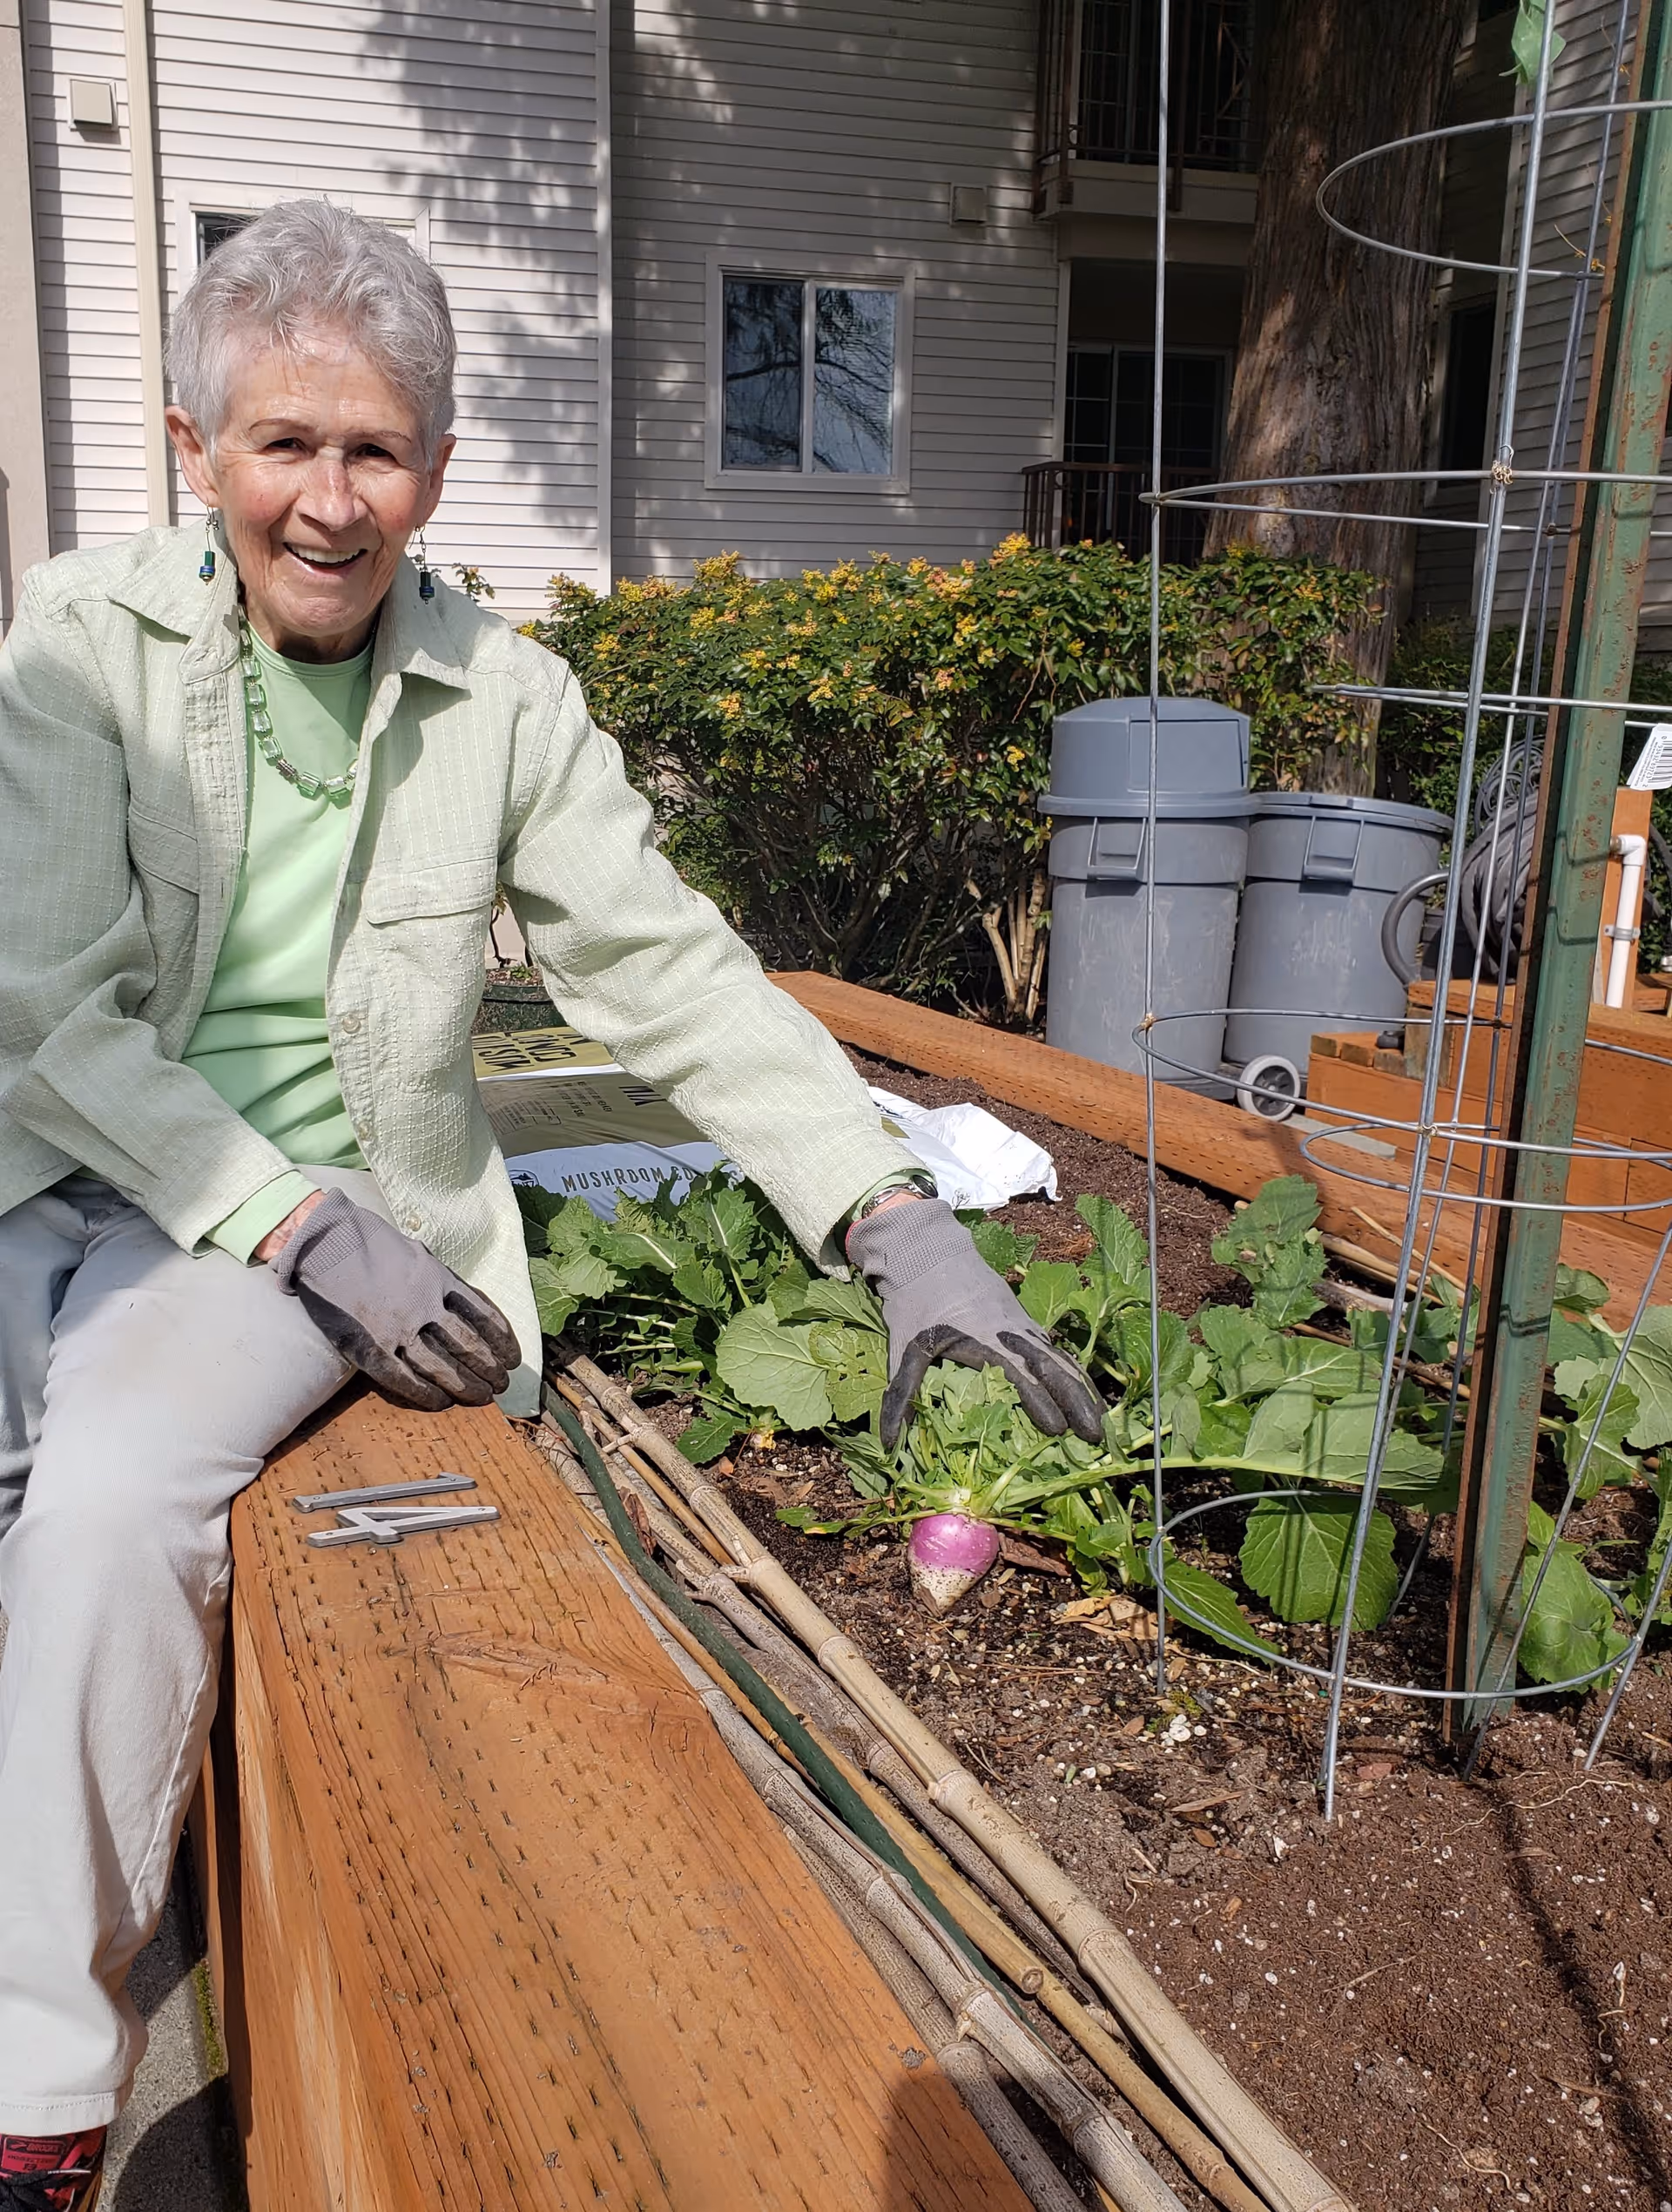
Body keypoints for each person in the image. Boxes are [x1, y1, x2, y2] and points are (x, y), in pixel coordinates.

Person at [0, 199, 1102, 2209]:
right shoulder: (82, 645)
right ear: (193, 449)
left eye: (378, 449)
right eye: (284, 445)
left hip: (292, 1227)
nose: (331, 502)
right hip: (57, 1160)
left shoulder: (502, 700)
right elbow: (46, 1013)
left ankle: (43, 2104)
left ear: (435, 462)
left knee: (103, 1497)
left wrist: (892, 1219)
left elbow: (667, 967)